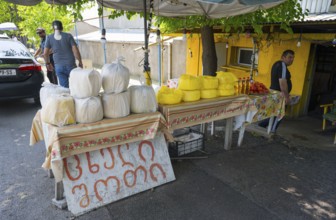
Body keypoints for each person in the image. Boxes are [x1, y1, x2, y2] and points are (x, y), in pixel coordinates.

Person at [258, 49, 295, 133]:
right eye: (289, 57)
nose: (292, 59)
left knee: (273, 113)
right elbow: (282, 82)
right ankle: (271, 131)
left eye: (293, 58)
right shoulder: (282, 65)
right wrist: (287, 97)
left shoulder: (277, 64)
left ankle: (263, 127)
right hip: (280, 95)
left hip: (275, 94)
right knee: (279, 115)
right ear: (283, 57)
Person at [44, 20, 83, 88]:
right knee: (75, 86)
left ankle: (68, 98)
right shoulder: (68, 36)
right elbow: (75, 50)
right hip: (71, 65)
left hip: (59, 67)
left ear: (53, 28)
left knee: (65, 88)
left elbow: (45, 53)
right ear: (62, 27)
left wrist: (48, 63)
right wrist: (80, 62)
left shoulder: (49, 38)